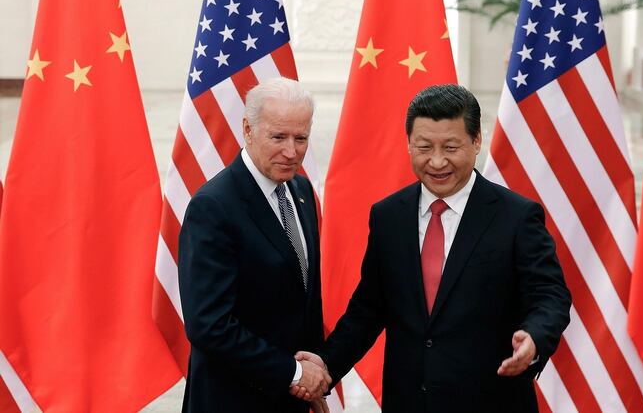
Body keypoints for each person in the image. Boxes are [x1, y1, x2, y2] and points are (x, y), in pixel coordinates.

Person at [295, 84, 571, 412]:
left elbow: (550, 295)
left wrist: (535, 337)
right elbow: (368, 310)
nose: (437, 161)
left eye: (451, 147)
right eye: (424, 147)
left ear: (476, 141)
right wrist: (326, 366)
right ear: (409, 144)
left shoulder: (516, 216)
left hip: (491, 401)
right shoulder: (388, 216)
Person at [178, 78, 330, 413]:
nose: (291, 151)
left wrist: (312, 381)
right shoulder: (213, 206)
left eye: (301, 138)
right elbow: (208, 325)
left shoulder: (302, 192)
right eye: (278, 137)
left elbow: (304, 299)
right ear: (248, 130)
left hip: (292, 400)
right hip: (231, 401)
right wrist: (294, 373)